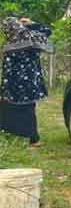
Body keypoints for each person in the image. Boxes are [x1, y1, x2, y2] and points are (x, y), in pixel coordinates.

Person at [1, 17, 51, 146]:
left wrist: (4, 88)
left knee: (11, 109)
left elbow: (7, 70)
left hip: (14, 85)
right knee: (27, 110)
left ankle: (18, 137)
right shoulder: (33, 39)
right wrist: (32, 24)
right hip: (30, 85)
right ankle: (32, 139)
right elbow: (47, 31)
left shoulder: (9, 44)